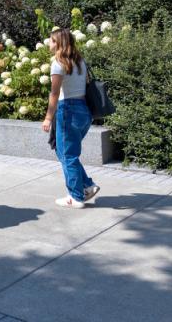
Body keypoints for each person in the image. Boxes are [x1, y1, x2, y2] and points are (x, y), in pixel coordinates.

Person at [42, 28, 99, 209]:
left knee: (68, 155)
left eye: (51, 40)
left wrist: (48, 117)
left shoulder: (58, 63)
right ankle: (87, 185)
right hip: (84, 111)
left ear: (59, 43)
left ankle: (75, 196)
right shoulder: (80, 61)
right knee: (65, 152)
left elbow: (54, 92)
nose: (48, 43)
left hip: (68, 110)